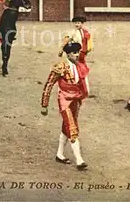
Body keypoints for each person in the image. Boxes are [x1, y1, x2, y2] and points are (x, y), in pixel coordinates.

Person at [41, 42, 90, 171]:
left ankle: (59, 154)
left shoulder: (80, 66)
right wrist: (44, 104)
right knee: (72, 128)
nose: (77, 55)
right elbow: (49, 84)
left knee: (66, 127)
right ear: (68, 54)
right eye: (74, 53)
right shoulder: (60, 66)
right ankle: (79, 160)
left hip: (75, 100)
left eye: (78, 52)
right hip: (65, 101)